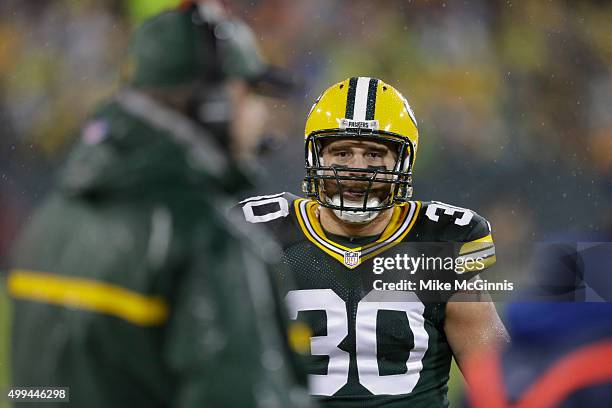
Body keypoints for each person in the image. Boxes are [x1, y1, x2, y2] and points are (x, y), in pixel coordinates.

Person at [8, 3, 312, 407]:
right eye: (251, 95)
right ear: (217, 103)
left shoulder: (50, 221)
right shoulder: (206, 239)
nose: (261, 115)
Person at [236, 77, 509, 407]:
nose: (357, 168)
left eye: (375, 154)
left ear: (403, 162)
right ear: (315, 158)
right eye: (342, 152)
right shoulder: (262, 234)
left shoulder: (439, 243)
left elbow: (501, 385)